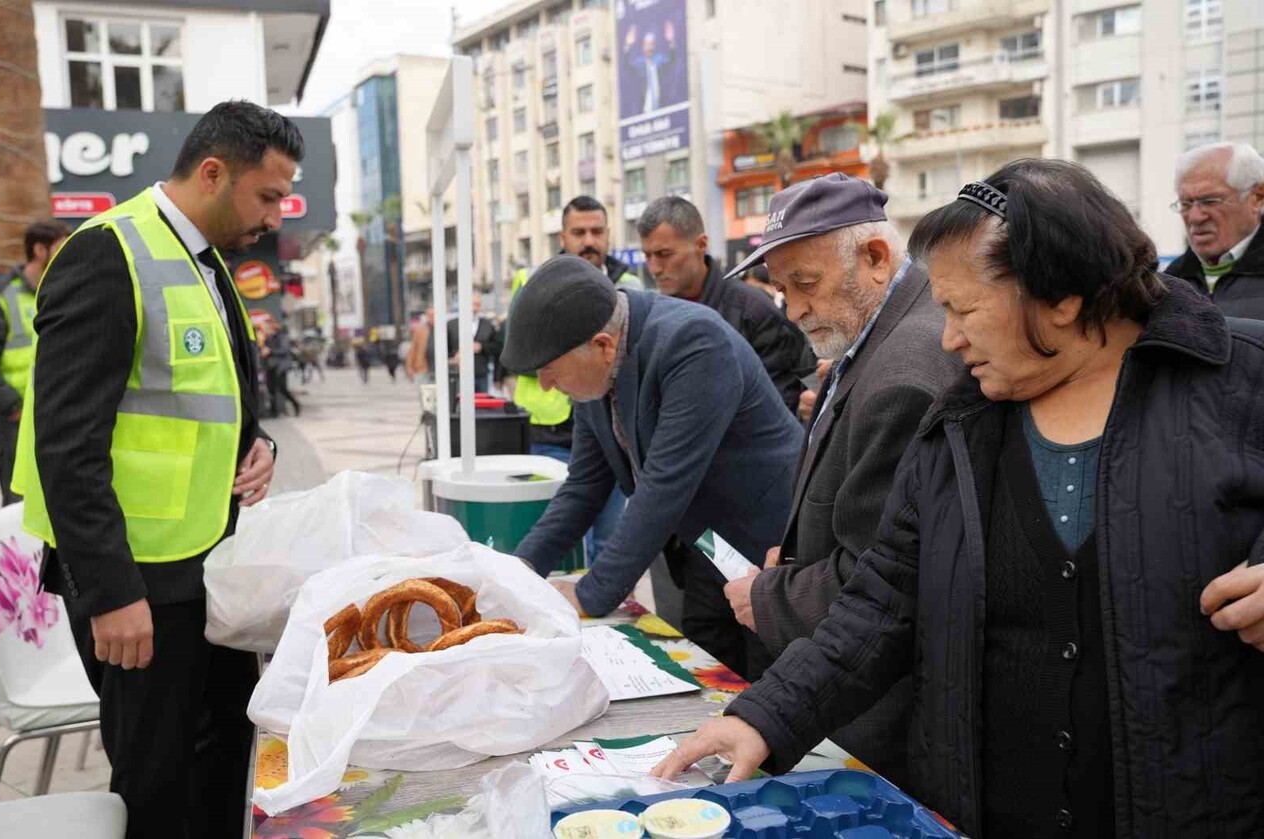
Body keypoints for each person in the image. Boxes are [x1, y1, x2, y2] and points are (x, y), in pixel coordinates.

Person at [654, 160, 1264, 838]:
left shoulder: (1238, 382)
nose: (948, 338)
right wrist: (763, 716)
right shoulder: (961, 426)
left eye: (965, 309)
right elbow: (880, 605)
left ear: (1060, 295)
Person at [11, 101, 295, 839]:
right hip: (136, 583)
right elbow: (66, 443)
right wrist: (110, 593)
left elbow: (216, 391)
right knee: (158, 784)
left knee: (223, 755)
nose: (275, 215)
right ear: (212, 172)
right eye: (267, 195)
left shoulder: (202, 260)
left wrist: (258, 448)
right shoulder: (108, 251)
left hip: (204, 565)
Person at [709, 174, 960, 787]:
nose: (793, 309)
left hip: (882, 711)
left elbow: (886, 576)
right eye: (781, 288)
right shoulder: (883, 331)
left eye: (806, 284)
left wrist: (769, 594)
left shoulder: (907, 367)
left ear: (875, 258)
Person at [502, 256, 801, 679]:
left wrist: (589, 595)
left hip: (768, 545)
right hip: (706, 546)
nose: (547, 385)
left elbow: (664, 486)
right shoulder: (593, 369)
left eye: (549, 370)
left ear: (603, 346)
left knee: (769, 680)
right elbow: (585, 485)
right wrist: (521, 572)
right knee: (711, 672)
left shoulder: (694, 342)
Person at [509, 196, 639, 563]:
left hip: (613, 434)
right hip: (549, 433)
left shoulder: (627, 284)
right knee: (560, 533)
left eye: (597, 231)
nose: (589, 241)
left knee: (609, 541)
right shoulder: (533, 282)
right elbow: (516, 355)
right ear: (563, 236)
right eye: (579, 232)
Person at [638, 196, 815, 414]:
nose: (654, 268)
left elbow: (777, 408)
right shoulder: (651, 319)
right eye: (647, 256)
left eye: (664, 254)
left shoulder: (754, 312)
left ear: (701, 245)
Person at [0, 220, 68, 505]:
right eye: (60, 247)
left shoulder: (66, 289)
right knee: (17, 503)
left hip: (58, 414)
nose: (68, 253)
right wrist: (13, 408)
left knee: (57, 502)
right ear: (40, 249)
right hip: (15, 418)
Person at [1165, 142, 1264, 318]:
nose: (1194, 217)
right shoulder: (1168, 283)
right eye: (1186, 204)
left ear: (1256, 198)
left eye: (1210, 201)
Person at [448, 293, 502, 394]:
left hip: (481, 374)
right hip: (459, 374)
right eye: (472, 304)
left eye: (477, 304)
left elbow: (497, 348)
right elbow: (444, 350)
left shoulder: (488, 325)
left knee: (481, 405)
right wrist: (453, 357)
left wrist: (481, 347)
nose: (475, 308)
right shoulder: (451, 325)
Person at [622, 21, 678, 113]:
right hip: (643, 112)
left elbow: (672, 60)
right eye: (647, 44)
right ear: (643, 47)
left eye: (651, 44)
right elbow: (625, 65)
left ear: (654, 46)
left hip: (661, 109)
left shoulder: (659, 62)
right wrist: (628, 45)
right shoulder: (639, 64)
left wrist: (671, 41)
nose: (649, 47)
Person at [262, 318, 299, 417]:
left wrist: (270, 351)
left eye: (266, 327)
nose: (265, 329)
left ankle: (296, 405)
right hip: (271, 366)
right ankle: (274, 412)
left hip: (281, 367)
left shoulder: (282, 336)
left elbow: (284, 350)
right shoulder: (268, 338)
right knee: (271, 389)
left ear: (272, 327)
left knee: (282, 388)